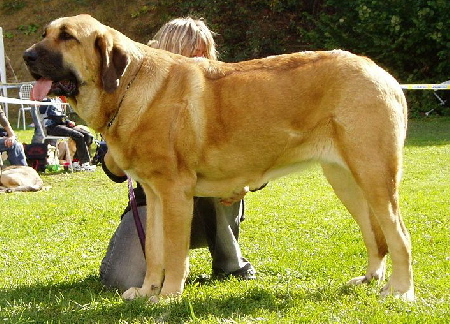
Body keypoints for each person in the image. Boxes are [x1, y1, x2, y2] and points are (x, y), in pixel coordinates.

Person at [100, 17, 256, 291]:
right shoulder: (132, 95)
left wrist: (245, 181)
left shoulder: (223, 95)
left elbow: (257, 152)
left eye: (203, 53)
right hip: (154, 208)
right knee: (120, 280)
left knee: (216, 187)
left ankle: (231, 265)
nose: (197, 61)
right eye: (189, 53)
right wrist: (121, 142)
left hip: (210, 207)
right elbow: (112, 172)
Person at [36, 98, 95, 171]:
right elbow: (43, 112)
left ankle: (75, 162)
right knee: (78, 136)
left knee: (87, 135)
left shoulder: (58, 100)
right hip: (52, 127)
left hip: (62, 125)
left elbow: (61, 116)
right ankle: (85, 163)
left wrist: (68, 122)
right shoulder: (46, 100)